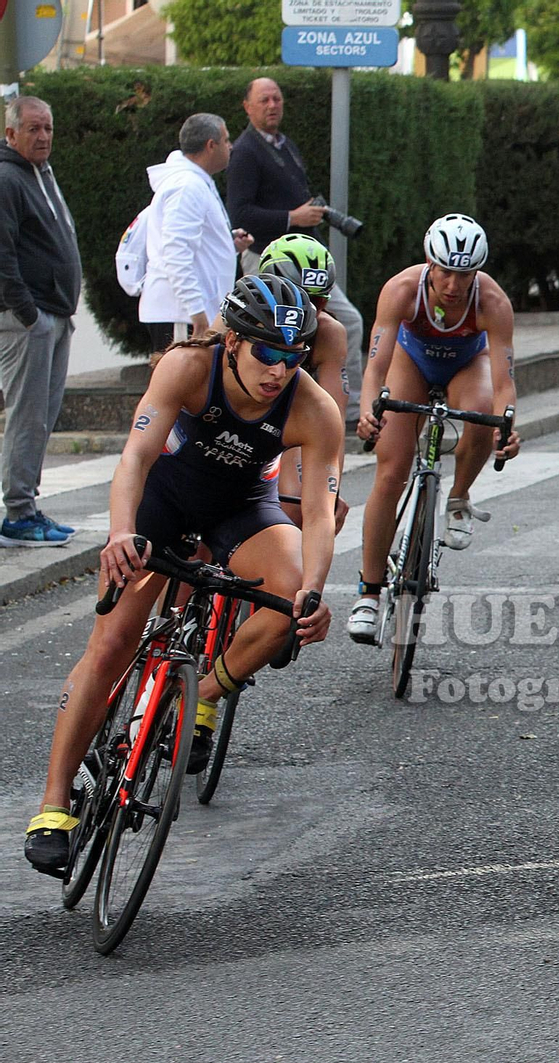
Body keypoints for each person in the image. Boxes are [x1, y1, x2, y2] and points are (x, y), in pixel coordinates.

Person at [23, 274, 340, 876]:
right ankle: (54, 804)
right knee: (113, 641)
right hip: (161, 505)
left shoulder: (311, 407)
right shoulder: (187, 368)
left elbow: (320, 510)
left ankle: (191, 699)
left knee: (285, 602)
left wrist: (313, 590)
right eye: (267, 352)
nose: (279, 369)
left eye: (293, 355)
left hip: (238, 506)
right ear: (233, 344)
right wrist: (121, 533)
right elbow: (136, 458)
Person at [347, 214, 521, 643]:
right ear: (429, 261)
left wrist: (508, 426)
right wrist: (371, 409)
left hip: (467, 364)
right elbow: (376, 366)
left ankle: (458, 496)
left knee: (482, 411)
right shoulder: (402, 290)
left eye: (464, 274)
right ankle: (369, 593)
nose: (452, 284)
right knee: (391, 472)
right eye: (444, 271)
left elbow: (503, 383)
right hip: (411, 362)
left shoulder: (493, 303)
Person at [225, 77, 364, 417]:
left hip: (306, 263)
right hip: (267, 260)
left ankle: (347, 409)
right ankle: (255, 404)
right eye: (264, 100)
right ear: (247, 106)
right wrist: (292, 218)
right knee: (268, 333)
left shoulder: (285, 145)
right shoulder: (245, 151)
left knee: (348, 322)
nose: (272, 106)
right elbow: (240, 213)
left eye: (277, 99)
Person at [0, 96, 81, 548]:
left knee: (43, 417)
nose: (44, 136)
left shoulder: (40, 173)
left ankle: (27, 505)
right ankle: (18, 515)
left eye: (48, 127)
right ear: (11, 134)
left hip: (54, 314)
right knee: (28, 418)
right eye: (33, 128)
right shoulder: (8, 178)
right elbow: (2, 255)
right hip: (29, 319)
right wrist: (29, 316)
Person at [249, 234, 349, 531]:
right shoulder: (236, 317)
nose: (310, 310)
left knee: (296, 510)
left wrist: (332, 488)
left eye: (319, 301)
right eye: (302, 297)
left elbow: (333, 420)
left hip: (283, 418)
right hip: (229, 415)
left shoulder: (329, 333)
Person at [139, 113, 253, 353]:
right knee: (179, 389)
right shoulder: (187, 186)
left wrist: (229, 245)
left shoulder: (194, 182)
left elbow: (191, 245)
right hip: (182, 314)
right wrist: (196, 311)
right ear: (211, 146)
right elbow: (175, 250)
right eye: (226, 140)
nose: (230, 146)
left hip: (188, 312)